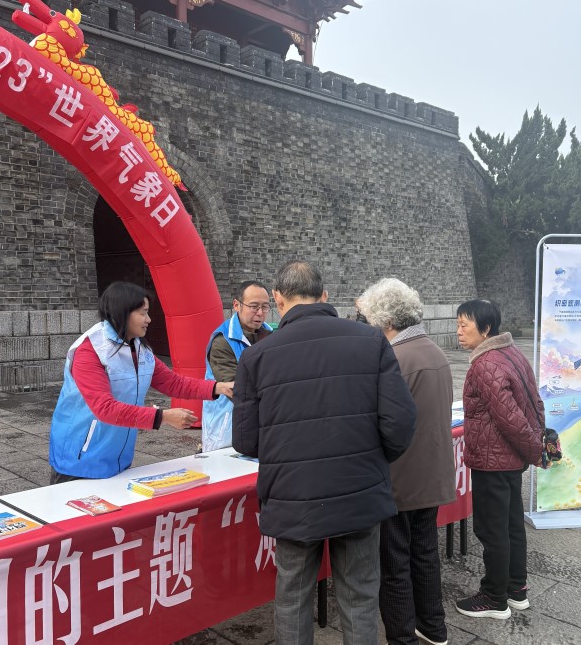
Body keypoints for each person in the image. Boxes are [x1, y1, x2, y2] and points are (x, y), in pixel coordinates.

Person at [232, 261, 417, 645]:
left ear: (278, 299)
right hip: (360, 492)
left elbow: (246, 441)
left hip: (293, 498)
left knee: (292, 597)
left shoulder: (256, 356)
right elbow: (399, 423)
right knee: (360, 597)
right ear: (324, 296)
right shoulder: (371, 341)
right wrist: (372, 461)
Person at [49, 281, 233, 483]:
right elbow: (105, 409)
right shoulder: (91, 351)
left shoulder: (139, 348)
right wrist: (163, 416)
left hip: (116, 457)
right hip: (78, 460)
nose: (149, 319)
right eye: (143, 313)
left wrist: (219, 387)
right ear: (122, 312)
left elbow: (173, 383)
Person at [358, 278, 455, 645]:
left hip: (400, 479)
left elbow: (381, 423)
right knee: (425, 553)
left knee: (394, 563)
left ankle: (402, 636)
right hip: (432, 474)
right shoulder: (435, 351)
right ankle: (433, 626)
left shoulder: (395, 359)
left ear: (385, 321)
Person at [455, 299, 543, 619]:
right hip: (510, 459)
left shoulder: (485, 364)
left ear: (486, 328)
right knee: (511, 526)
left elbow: (510, 418)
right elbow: (534, 403)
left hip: (492, 461)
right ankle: (516, 590)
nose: (459, 331)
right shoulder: (512, 352)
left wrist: (535, 450)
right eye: (458, 324)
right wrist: (535, 444)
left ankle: (494, 598)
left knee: (493, 531)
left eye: (464, 325)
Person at [202, 280, 273, 451]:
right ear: (236, 305)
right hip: (225, 427)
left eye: (265, 307)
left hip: (261, 423)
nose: (260, 313)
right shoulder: (222, 341)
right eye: (254, 306)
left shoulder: (270, 335)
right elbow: (237, 390)